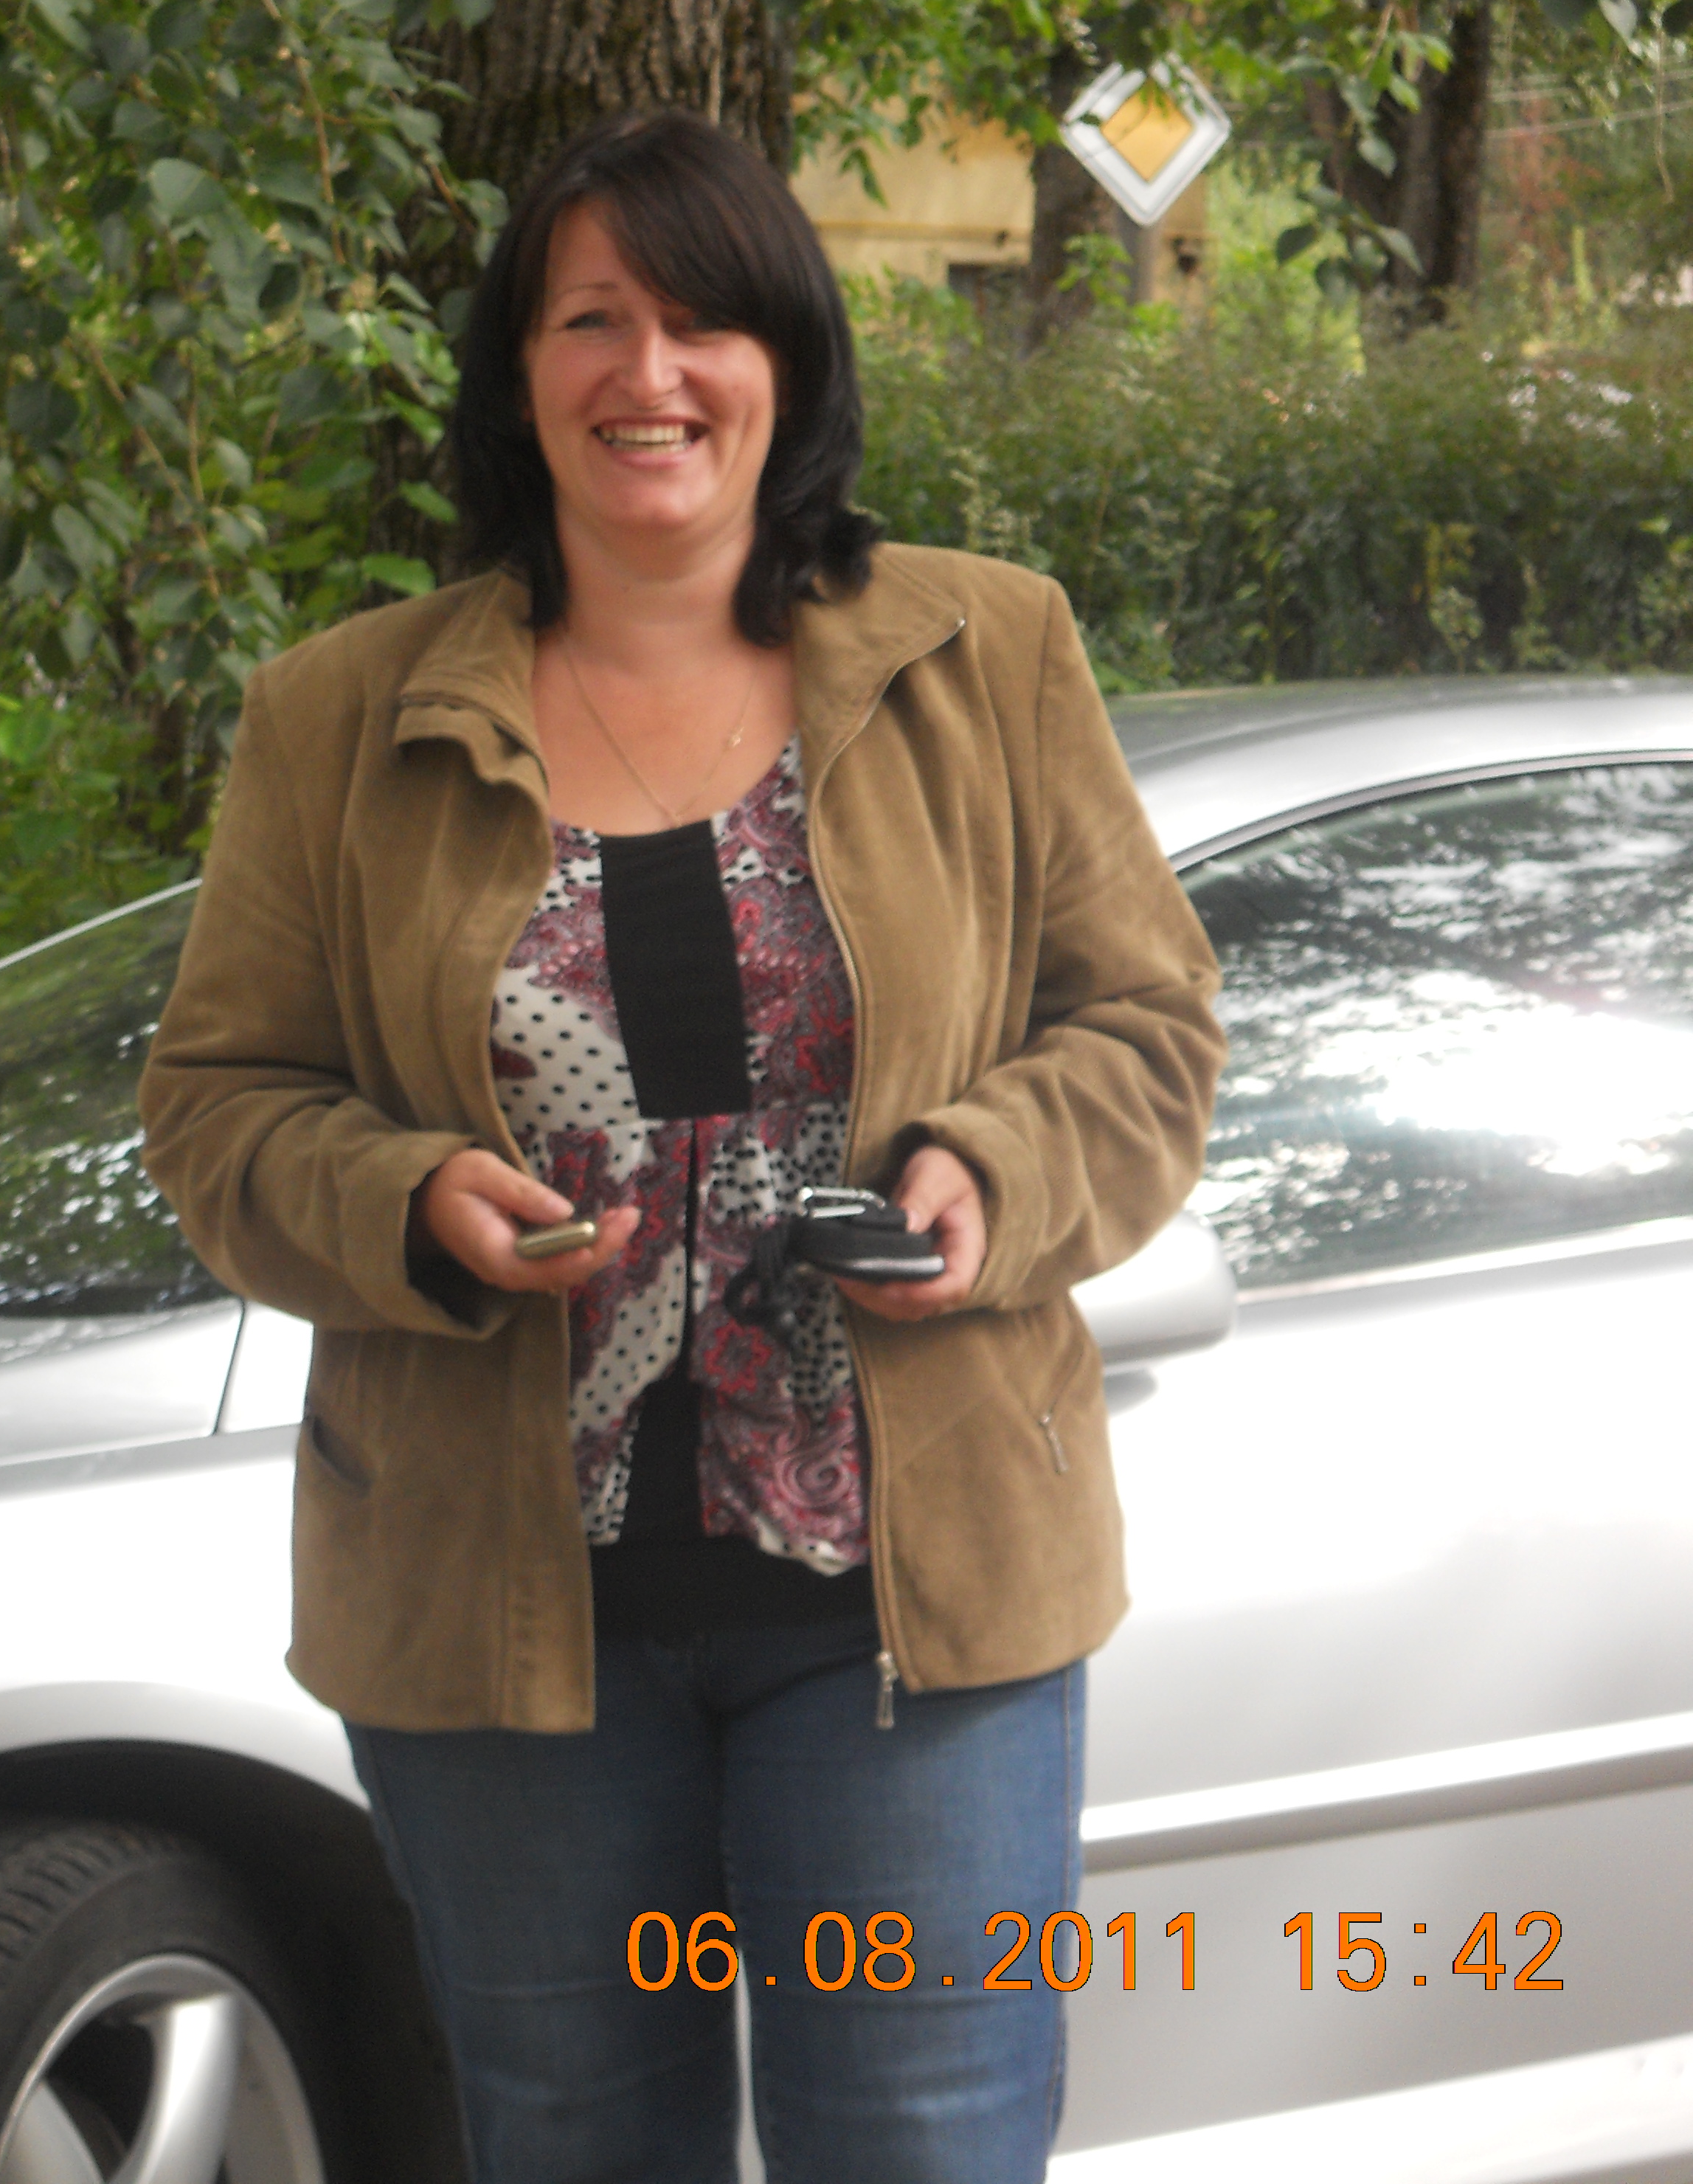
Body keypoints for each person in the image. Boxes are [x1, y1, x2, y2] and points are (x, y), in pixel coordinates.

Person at [136, 108, 1224, 2183]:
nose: (650, 374)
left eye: (704, 320)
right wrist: (408, 1204)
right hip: (499, 1614)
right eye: (591, 321)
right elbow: (217, 1103)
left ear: (787, 360)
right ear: (518, 369)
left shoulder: (983, 653)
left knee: (921, 2144)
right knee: (577, 2147)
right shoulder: (338, 718)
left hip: (909, 1600)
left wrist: (991, 1174)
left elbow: (1150, 1025)